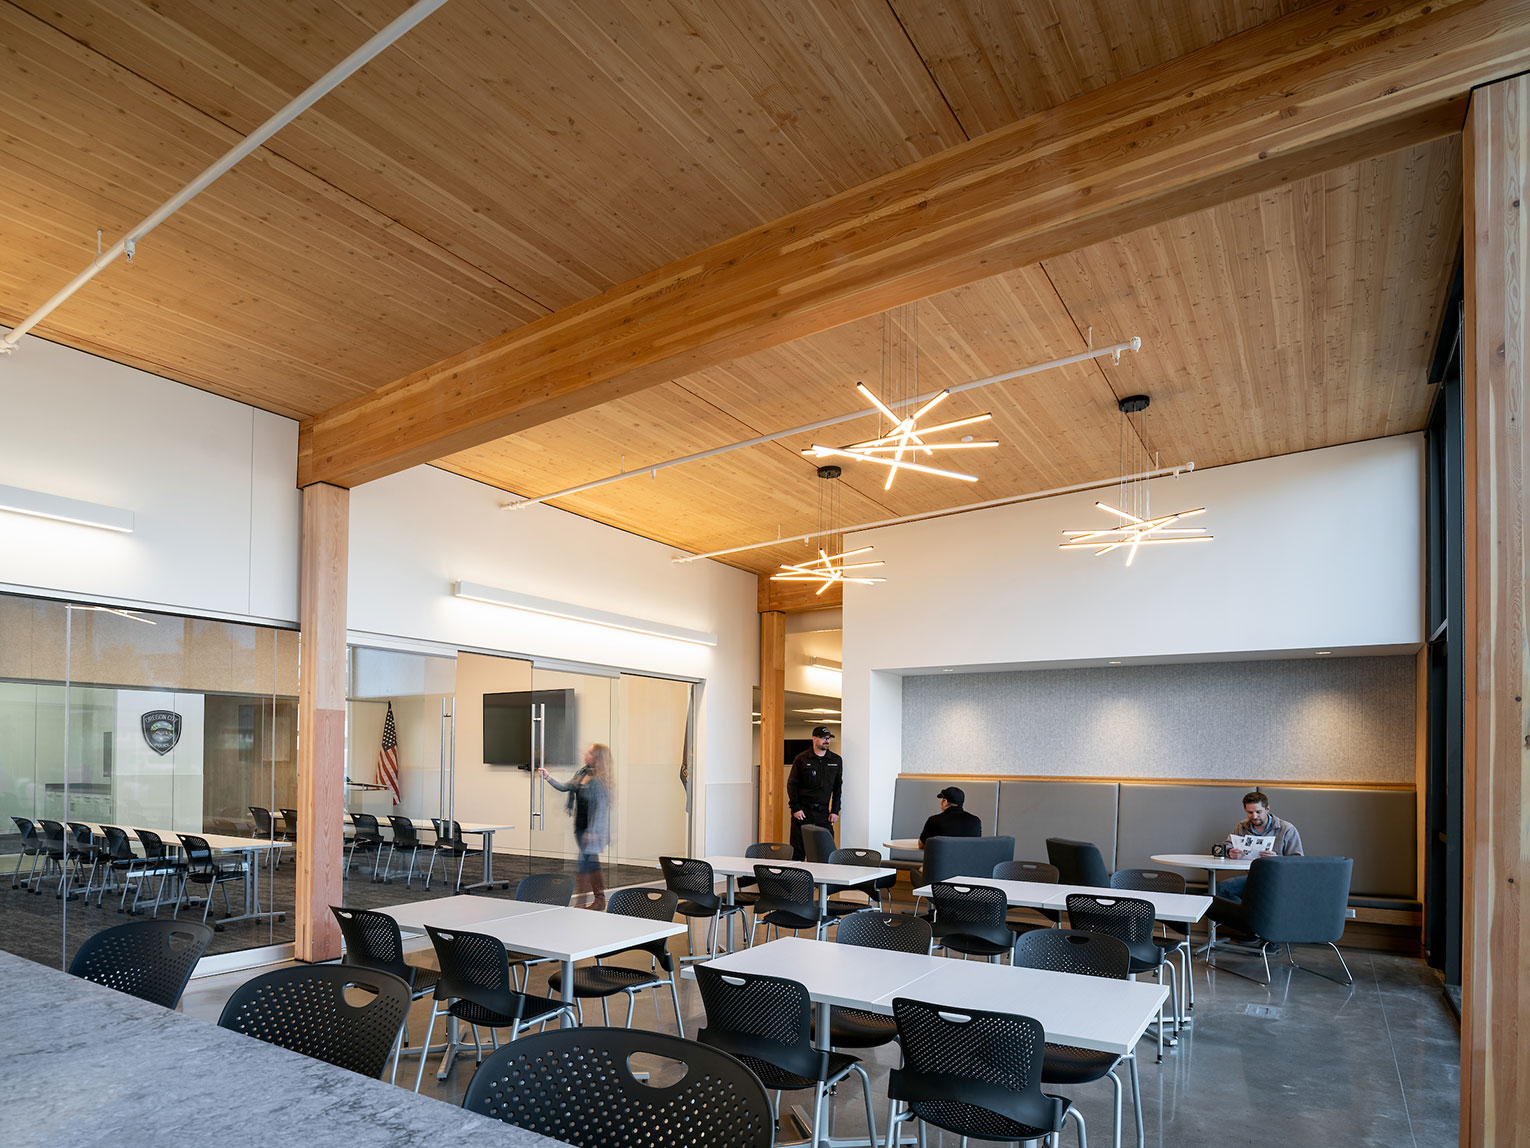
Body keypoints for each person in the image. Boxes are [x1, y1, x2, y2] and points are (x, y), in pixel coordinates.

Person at [538, 743, 611, 910]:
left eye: (590, 753)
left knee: (583, 863)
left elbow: (601, 809)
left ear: (598, 758)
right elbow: (565, 787)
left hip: (591, 830)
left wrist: (593, 832)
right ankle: (599, 900)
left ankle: (582, 904)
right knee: (591, 863)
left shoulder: (600, 780)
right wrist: (548, 777)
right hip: (580, 827)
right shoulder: (582, 773)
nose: (586, 754)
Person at [1217, 789, 1303, 902]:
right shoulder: (1241, 827)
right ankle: (1247, 916)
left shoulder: (1286, 829)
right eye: (1250, 812)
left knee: (1226, 890)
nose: (1254, 816)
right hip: (1253, 877)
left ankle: (1247, 916)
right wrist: (1230, 851)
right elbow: (1225, 845)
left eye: (1258, 812)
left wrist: (1277, 859)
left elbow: (1299, 861)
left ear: (1267, 809)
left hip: (1278, 878)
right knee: (1220, 889)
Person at [787, 725, 842, 860]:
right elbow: (792, 784)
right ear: (814, 739)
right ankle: (798, 880)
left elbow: (837, 788)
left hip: (823, 813)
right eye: (823, 738)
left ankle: (822, 881)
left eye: (828, 738)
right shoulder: (802, 759)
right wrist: (795, 808)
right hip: (803, 813)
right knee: (798, 852)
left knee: (826, 851)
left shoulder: (836, 760)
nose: (826, 741)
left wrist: (835, 810)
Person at [917, 786, 982, 848]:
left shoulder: (934, 820)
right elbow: (976, 845)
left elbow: (922, 845)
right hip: (968, 859)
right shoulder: (975, 821)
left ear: (945, 802)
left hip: (943, 859)